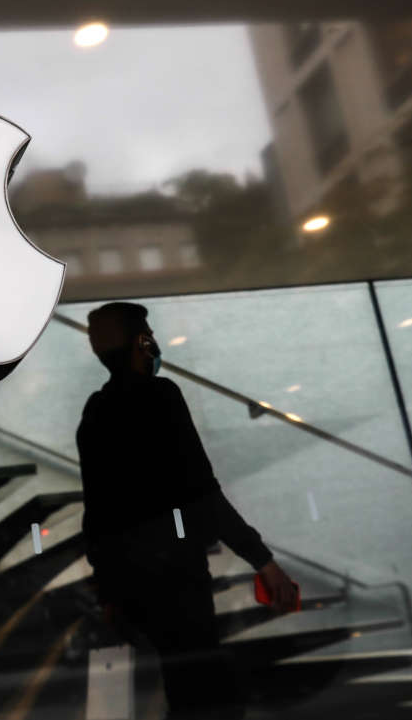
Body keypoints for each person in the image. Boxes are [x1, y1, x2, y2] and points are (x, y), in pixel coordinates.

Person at [77, 302, 297, 719]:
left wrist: (108, 589)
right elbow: (201, 490)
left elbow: (97, 510)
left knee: (184, 683)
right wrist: (261, 559)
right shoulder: (161, 396)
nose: (154, 343)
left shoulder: (96, 411)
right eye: (149, 335)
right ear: (142, 342)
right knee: (206, 689)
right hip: (177, 574)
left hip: (132, 581)